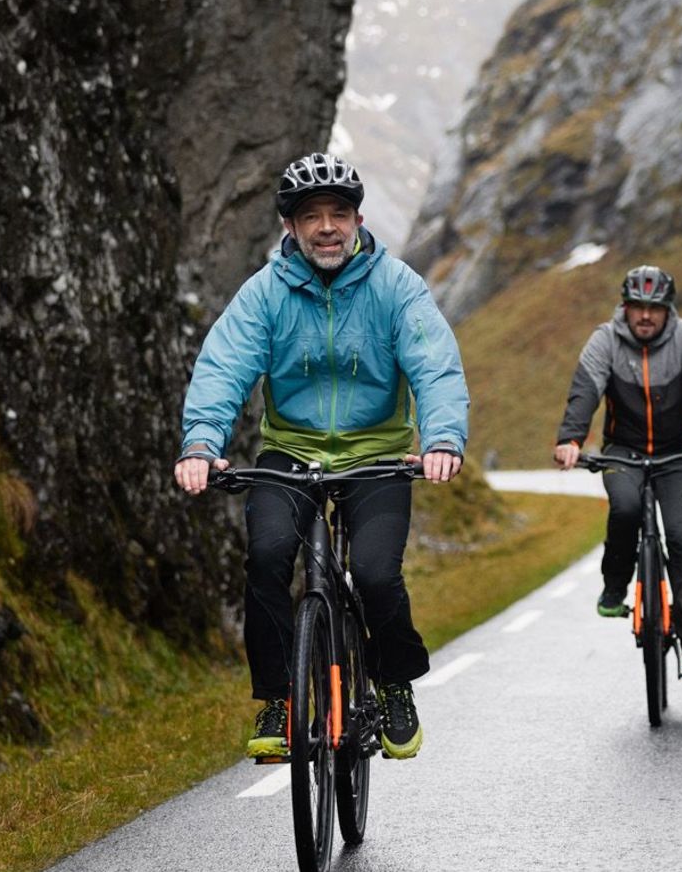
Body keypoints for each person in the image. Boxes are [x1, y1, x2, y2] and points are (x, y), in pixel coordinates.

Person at [173, 153, 471, 763]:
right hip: (290, 452)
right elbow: (224, 367)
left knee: (378, 573)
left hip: (378, 457)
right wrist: (202, 444)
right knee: (266, 556)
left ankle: (392, 684)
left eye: (339, 213)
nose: (327, 227)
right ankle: (279, 701)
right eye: (312, 216)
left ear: (359, 219)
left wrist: (441, 440)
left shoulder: (396, 286)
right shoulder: (265, 294)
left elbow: (433, 365)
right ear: (290, 227)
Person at [552, 265, 682, 678]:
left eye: (655, 308)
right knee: (625, 509)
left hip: (679, 456)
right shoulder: (604, 340)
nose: (645, 316)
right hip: (623, 453)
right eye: (637, 308)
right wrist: (571, 439)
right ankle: (614, 588)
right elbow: (585, 391)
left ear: (668, 310)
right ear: (624, 308)